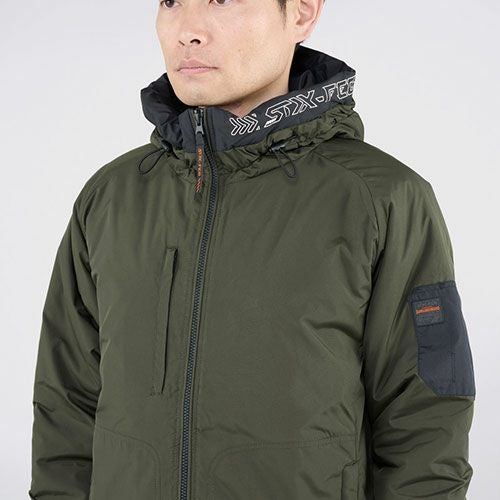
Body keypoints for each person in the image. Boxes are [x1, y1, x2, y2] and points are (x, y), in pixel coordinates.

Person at [29, 0, 476, 499]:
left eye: (222, 0)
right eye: (171, 1)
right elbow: (65, 406)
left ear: (301, 13)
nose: (188, 30)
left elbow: (425, 422)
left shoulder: (380, 198)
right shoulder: (111, 197)